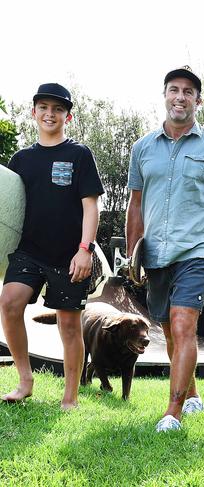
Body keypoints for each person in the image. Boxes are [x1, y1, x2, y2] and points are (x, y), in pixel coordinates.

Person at [126, 66, 204, 432]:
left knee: (182, 325)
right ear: (165, 96)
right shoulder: (142, 148)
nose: (180, 97)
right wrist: (133, 255)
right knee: (170, 330)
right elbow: (134, 205)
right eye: (174, 90)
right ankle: (191, 393)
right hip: (157, 253)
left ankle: (172, 413)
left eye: (188, 91)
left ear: (198, 101)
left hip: (198, 249)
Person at [0, 83, 104, 409]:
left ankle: (70, 396)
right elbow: (8, 209)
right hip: (28, 250)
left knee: (69, 324)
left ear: (67, 116)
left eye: (57, 109)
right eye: (43, 107)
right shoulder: (21, 159)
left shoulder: (79, 155)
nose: (50, 114)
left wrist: (84, 249)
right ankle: (25, 379)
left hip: (69, 255)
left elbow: (91, 206)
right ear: (34, 112)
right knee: (9, 302)